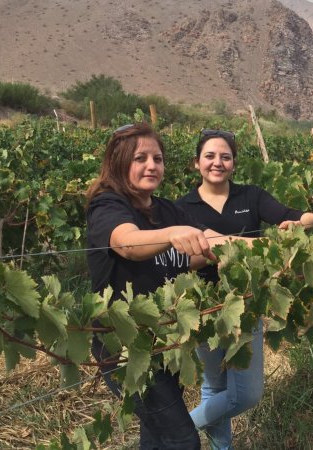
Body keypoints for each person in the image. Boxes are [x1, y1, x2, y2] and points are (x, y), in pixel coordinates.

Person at [176, 129, 313, 449]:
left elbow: (288, 219)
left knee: (247, 394)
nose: (217, 162)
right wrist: (258, 246)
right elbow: (189, 257)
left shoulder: (250, 197)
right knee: (214, 386)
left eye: (225, 156)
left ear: (234, 163)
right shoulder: (183, 207)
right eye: (209, 156)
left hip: (247, 303)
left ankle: (176, 432)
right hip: (204, 308)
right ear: (196, 162)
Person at [86, 123, 246, 449]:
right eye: (140, 158)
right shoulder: (108, 205)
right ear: (118, 163)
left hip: (162, 340)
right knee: (183, 441)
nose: (151, 166)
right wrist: (170, 235)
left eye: (157, 158)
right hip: (125, 347)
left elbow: (209, 242)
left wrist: (259, 247)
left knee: (156, 438)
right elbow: (127, 243)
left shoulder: (166, 210)